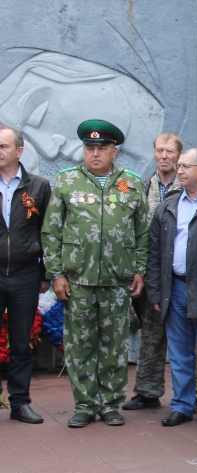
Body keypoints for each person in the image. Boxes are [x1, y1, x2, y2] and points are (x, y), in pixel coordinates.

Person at [42, 119, 149, 428]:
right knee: (80, 344)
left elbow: (142, 232)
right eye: (90, 148)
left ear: (114, 151)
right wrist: (56, 274)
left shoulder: (131, 183)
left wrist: (139, 269)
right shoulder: (66, 182)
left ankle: (111, 403)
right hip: (78, 279)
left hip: (118, 280)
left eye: (102, 148)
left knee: (114, 345)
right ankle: (86, 404)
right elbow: (51, 232)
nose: (95, 153)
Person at [147, 147, 197, 429]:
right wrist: (155, 292)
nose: (178, 171)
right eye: (178, 166)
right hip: (174, 288)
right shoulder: (168, 205)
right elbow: (154, 252)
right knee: (179, 353)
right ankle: (181, 405)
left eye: (185, 166)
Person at [123, 132, 183, 411]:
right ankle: (147, 391)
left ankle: (190, 394)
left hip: (181, 274)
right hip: (150, 273)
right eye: (160, 150)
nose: (164, 156)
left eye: (170, 151)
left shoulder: (188, 188)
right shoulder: (140, 187)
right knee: (151, 333)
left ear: (179, 156)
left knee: (186, 336)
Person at [0, 124, 51, 424]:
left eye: (4, 146)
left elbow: (48, 233)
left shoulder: (38, 186)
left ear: (19, 151)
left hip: (24, 276)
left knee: (21, 343)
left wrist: (45, 273)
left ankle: (20, 403)